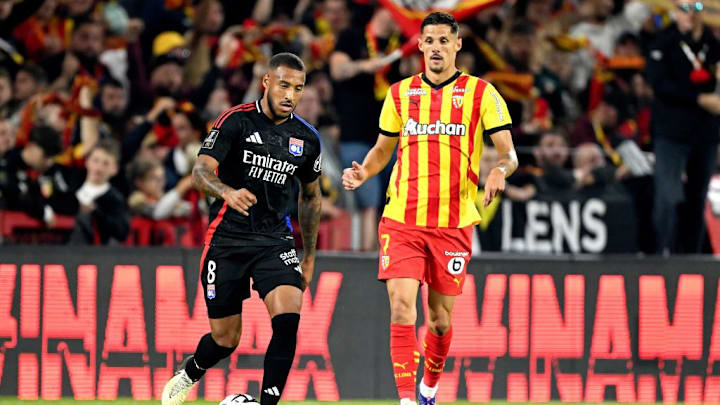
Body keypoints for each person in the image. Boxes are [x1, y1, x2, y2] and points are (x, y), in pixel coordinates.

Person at [342, 12, 517, 405]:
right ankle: (406, 400)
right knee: (402, 307)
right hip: (402, 218)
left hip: (452, 224)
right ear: (419, 46)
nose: (436, 47)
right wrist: (364, 173)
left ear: (457, 45)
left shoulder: (481, 93)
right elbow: (383, 150)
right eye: (430, 41)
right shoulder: (400, 93)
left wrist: (499, 171)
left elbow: (509, 154)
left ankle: (428, 389)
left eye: (444, 40)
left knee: (439, 321)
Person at [161, 52, 322, 405]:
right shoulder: (235, 121)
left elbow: (311, 197)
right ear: (266, 83)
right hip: (227, 239)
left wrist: (308, 255)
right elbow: (200, 172)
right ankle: (190, 372)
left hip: (274, 240)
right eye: (284, 85)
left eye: (298, 88)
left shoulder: (306, 139)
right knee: (225, 339)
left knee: (288, 319)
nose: (290, 95)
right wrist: (227, 192)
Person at [647, 0, 720, 254]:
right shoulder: (663, 44)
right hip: (671, 133)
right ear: (674, 12)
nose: (690, 14)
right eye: (683, 8)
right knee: (668, 196)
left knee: (697, 198)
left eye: (696, 8)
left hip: (706, 133)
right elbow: (660, 86)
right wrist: (699, 98)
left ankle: (690, 258)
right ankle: (661, 253)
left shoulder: (714, 46)